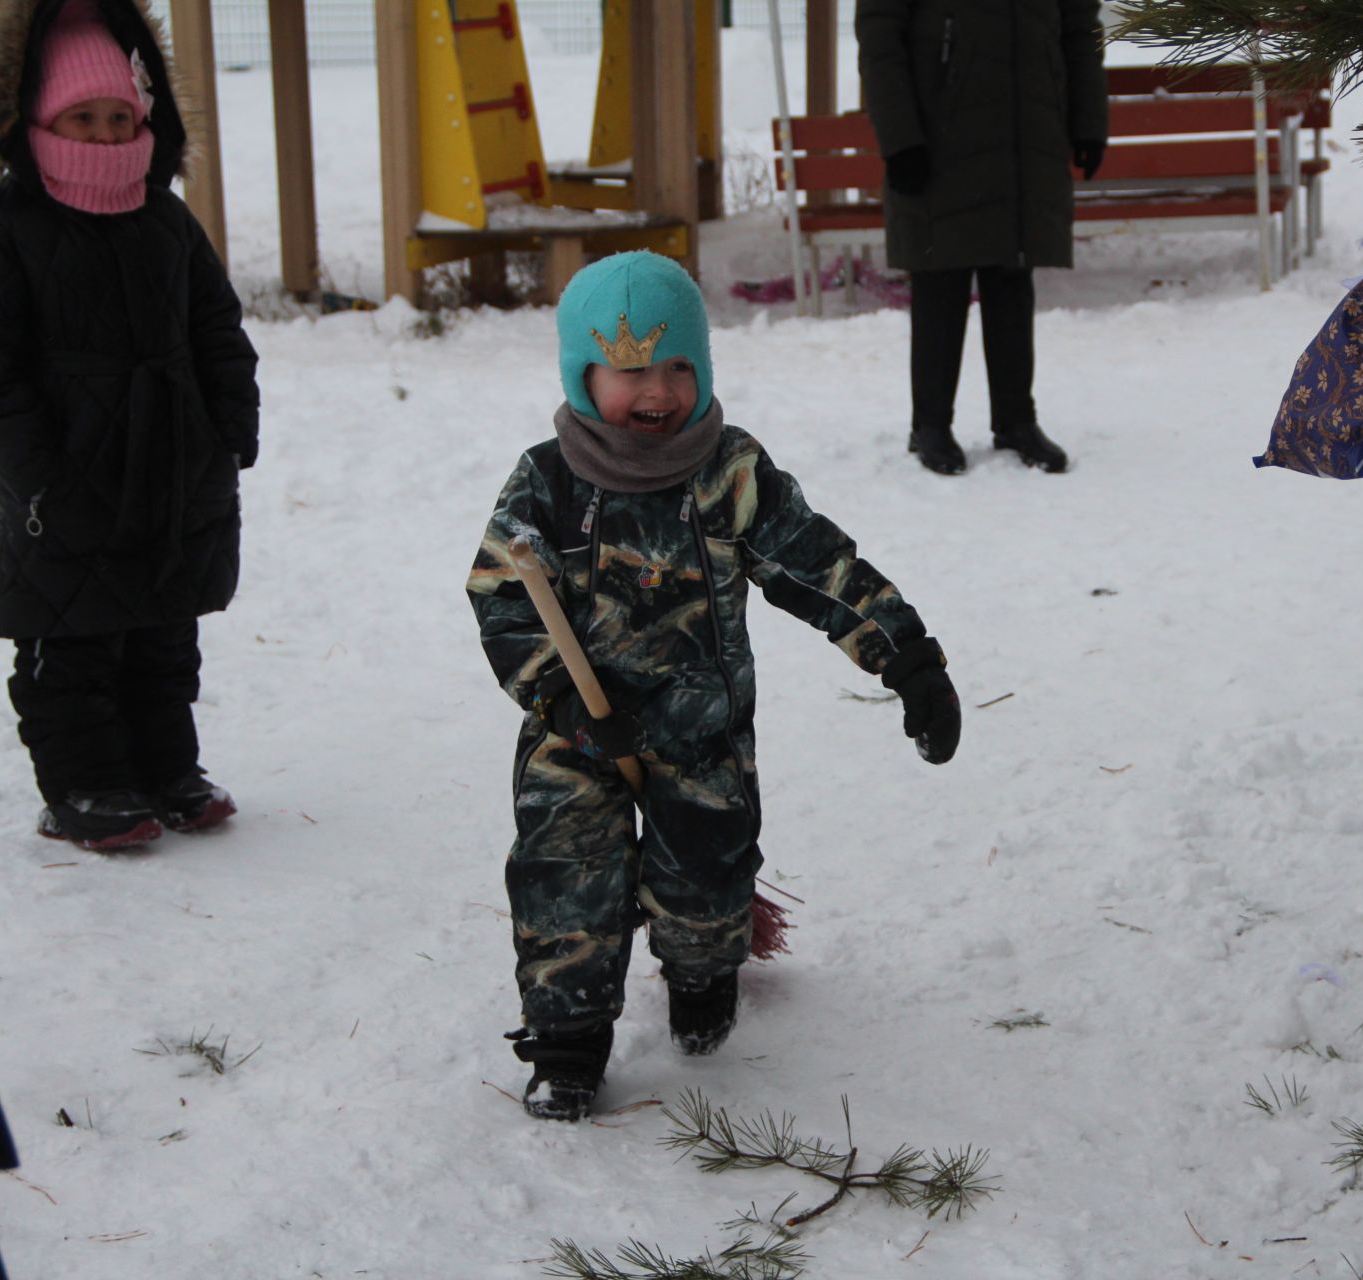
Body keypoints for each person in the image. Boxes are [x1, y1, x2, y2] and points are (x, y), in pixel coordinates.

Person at [467, 251, 962, 1122]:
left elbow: (817, 566)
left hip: (703, 733)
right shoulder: (545, 482)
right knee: (564, 881)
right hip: (576, 733)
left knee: (708, 877)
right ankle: (568, 1042)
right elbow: (505, 600)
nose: (655, 390)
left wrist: (908, 657)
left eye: (677, 366)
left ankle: (701, 971)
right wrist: (565, 707)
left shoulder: (729, 473)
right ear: (582, 376)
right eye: (628, 370)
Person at [0, 0, 261, 852]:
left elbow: (216, 329)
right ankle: (85, 785)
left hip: (173, 461)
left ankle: (168, 766)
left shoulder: (164, 218)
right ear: (33, 118)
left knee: (165, 630)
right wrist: (36, 470)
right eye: (80, 118)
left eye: (117, 117)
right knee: (75, 638)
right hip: (60, 474)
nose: (101, 136)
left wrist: (229, 425)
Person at [856, 0, 1108, 476]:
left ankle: (1016, 420)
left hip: (1025, 132)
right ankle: (930, 425)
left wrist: (1088, 121)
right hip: (937, 136)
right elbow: (879, 39)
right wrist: (899, 138)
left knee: (1012, 274)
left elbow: (1079, 28)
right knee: (940, 278)